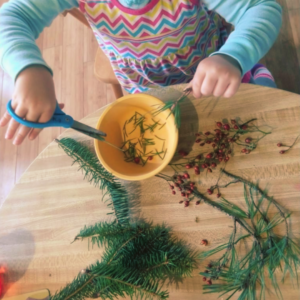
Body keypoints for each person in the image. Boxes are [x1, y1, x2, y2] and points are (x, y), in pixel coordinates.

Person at [0, 0, 282, 145]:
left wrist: (233, 56)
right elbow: (12, 17)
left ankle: (250, 70)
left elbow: (261, 7)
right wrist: (28, 70)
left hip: (212, 69)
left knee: (255, 119)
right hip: (143, 89)